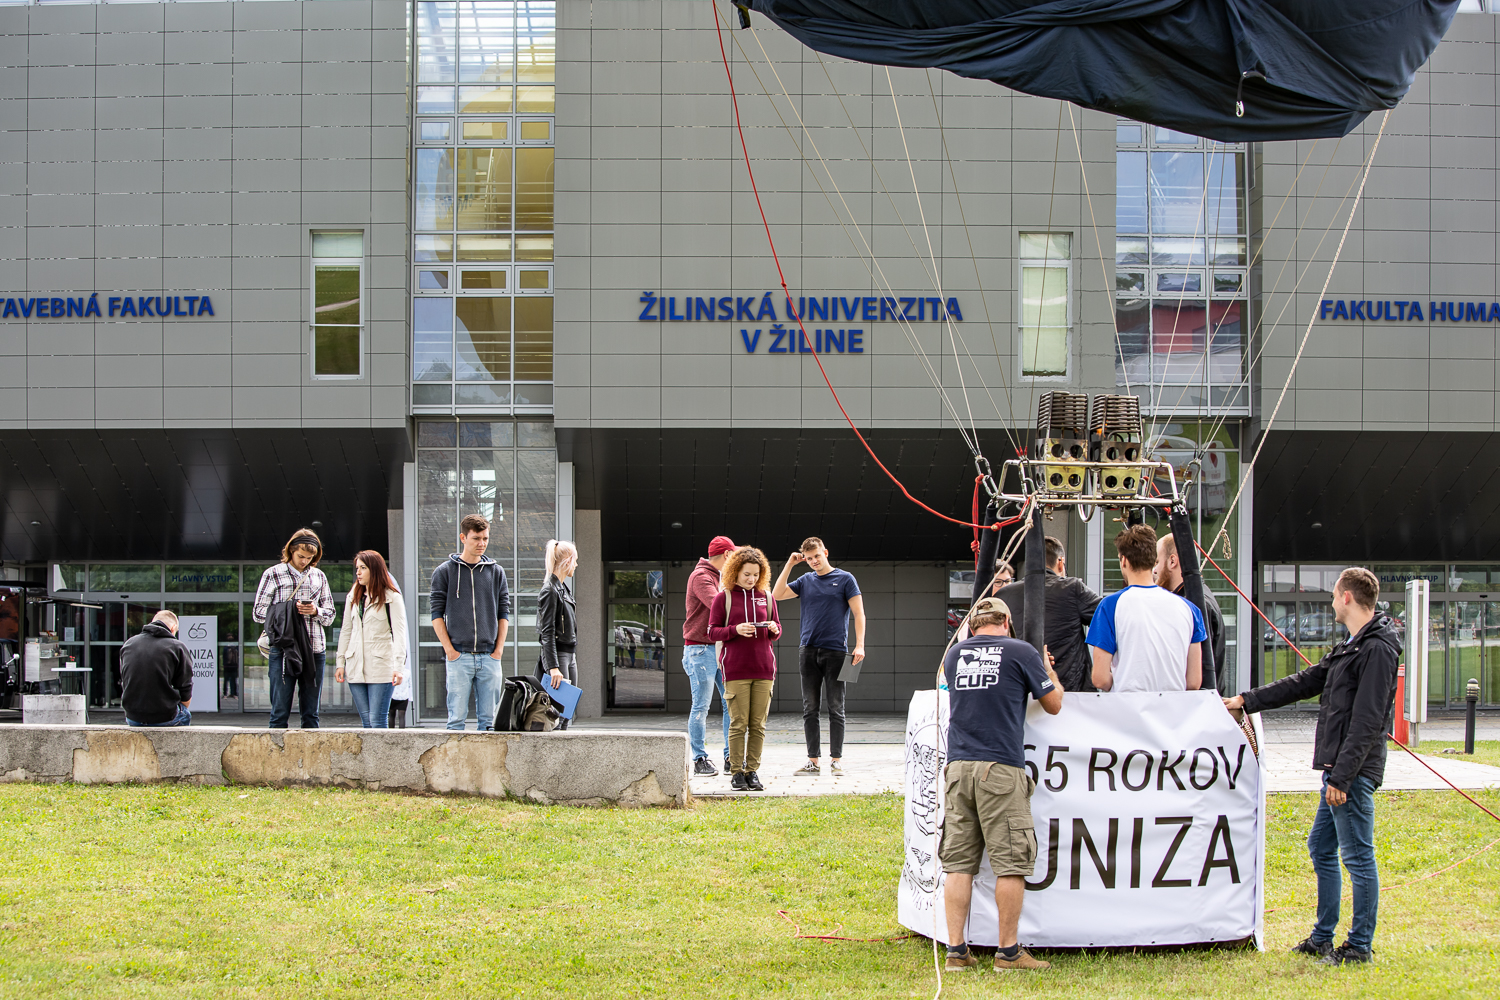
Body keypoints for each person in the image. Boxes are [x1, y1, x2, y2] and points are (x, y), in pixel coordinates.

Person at [1224, 567, 1398, 966]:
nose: (1332, 602)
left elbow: (1368, 721)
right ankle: (1322, 938)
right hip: (1338, 770)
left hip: (1351, 773)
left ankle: (1358, 946)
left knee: (1358, 857)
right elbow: (1306, 681)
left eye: (1334, 595)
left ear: (1347, 597)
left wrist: (1343, 777)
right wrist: (1246, 701)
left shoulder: (1377, 649)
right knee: (1321, 847)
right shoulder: (1352, 645)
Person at [940, 597, 1062, 972]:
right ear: (1007, 622)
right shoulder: (1021, 652)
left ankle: (956, 951)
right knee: (1011, 862)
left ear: (971, 625)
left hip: (958, 767)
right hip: (1000, 768)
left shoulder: (954, 655)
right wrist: (1048, 670)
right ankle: (1008, 952)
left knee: (958, 863)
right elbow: (1053, 703)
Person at [773, 537, 865, 776]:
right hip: (808, 651)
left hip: (836, 652)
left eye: (817, 556)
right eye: (809, 558)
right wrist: (790, 564)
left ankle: (836, 760)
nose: (814, 561)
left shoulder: (845, 579)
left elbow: (859, 613)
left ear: (825, 552)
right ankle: (813, 761)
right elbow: (777, 594)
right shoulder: (805, 580)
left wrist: (860, 645)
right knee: (810, 708)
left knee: (836, 707)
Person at [1087, 525, 1204, 693]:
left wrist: (1121, 681)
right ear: (1153, 560)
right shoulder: (1190, 610)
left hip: (1128, 706)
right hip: (1174, 707)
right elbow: (1193, 682)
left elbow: (1100, 679)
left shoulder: (1110, 606)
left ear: (1124, 560)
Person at [708, 546, 782, 792]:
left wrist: (774, 629)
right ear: (735, 572)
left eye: (756, 575)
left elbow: (777, 630)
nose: (751, 579)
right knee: (738, 723)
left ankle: (752, 771)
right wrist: (735, 630)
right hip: (736, 670)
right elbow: (712, 632)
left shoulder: (767, 597)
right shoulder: (724, 597)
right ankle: (737, 773)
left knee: (758, 725)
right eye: (746, 574)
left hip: (764, 670)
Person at [431, 514, 511, 731]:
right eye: (476, 538)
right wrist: (450, 651)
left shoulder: (496, 572)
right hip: (459, 657)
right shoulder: (444, 572)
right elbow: (436, 615)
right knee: (456, 721)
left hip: (490, 657)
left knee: (490, 724)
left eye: (485, 538)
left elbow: (503, 614)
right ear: (463, 538)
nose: (482, 543)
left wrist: (498, 651)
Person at [253, 528, 336, 729]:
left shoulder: (319, 576)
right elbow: (258, 612)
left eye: (309, 558)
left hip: (314, 648)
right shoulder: (273, 574)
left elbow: (330, 615)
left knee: (311, 714)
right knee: (279, 712)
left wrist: (315, 610)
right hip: (284, 648)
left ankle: (311, 749)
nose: (304, 561)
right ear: (291, 550)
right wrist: (287, 610)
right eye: (301, 556)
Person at [996, 535, 1102, 691]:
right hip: (1069, 690)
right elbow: (1109, 617)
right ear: (1060, 562)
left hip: (1019, 689)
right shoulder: (1072, 588)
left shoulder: (1003, 595)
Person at [334, 550, 408, 729]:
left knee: (377, 720)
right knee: (366, 722)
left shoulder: (392, 598)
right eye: (357, 568)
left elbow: (400, 635)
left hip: (381, 666)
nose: (358, 572)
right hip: (355, 666)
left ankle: (382, 750)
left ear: (374, 569)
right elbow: (346, 631)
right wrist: (340, 663)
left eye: (363, 568)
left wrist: (398, 668)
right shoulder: (353, 596)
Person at [684, 536, 736, 776]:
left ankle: (731, 756)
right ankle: (699, 759)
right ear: (726, 555)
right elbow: (719, 606)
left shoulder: (719, 577)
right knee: (701, 706)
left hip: (718, 648)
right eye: (734, 556)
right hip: (700, 649)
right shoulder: (701, 576)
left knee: (730, 704)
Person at [1155, 532, 1229, 695]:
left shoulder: (1196, 604)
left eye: (1157, 562)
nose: (1154, 570)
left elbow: (1200, 669)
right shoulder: (1193, 598)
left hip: (1195, 701)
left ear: (1172, 561)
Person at [120, 610, 194, 727]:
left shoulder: (129, 644)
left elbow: (126, 679)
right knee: (185, 714)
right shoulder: (176, 646)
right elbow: (185, 688)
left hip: (133, 717)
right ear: (173, 628)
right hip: (164, 716)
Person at [537, 539, 579, 730]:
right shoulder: (550, 590)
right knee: (557, 714)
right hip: (559, 656)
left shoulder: (563, 589)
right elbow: (547, 632)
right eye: (575, 560)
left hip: (569, 655)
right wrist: (553, 667)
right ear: (567, 561)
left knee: (566, 712)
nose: (576, 565)